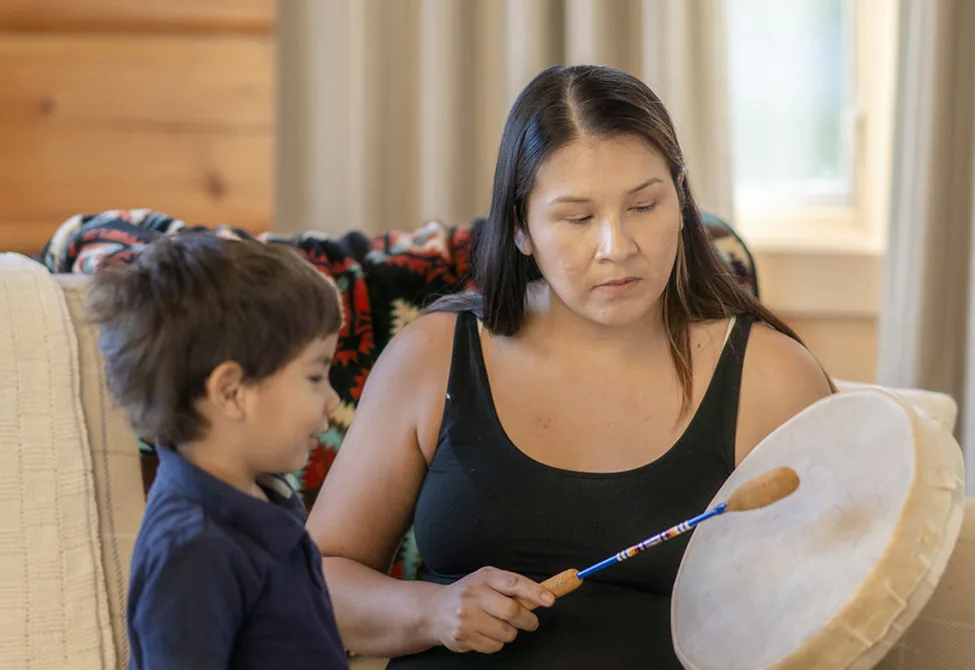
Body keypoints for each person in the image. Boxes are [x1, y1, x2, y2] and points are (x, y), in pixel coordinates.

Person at [307, 64, 834, 668]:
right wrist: (431, 611)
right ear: (520, 228)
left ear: (682, 201)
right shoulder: (431, 357)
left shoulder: (772, 376)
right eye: (577, 218)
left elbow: (835, 601)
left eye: (643, 205)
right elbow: (316, 580)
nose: (616, 246)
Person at [87, 233, 350, 669]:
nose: (333, 400)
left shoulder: (264, 497)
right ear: (230, 392)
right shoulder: (192, 551)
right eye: (315, 377)